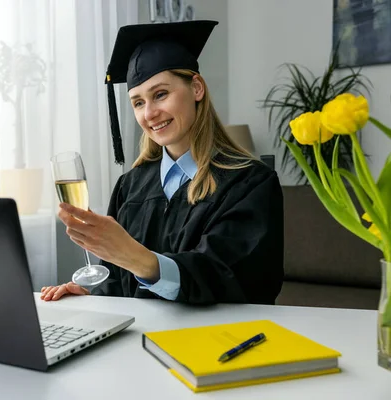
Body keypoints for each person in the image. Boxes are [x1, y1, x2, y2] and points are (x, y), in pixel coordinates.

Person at [40, 20, 284, 304]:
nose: (150, 113)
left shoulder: (250, 184)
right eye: (138, 102)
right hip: (139, 340)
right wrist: (93, 293)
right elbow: (121, 282)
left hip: (215, 341)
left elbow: (233, 279)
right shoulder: (131, 186)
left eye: (160, 94)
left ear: (196, 88)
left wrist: (139, 259)